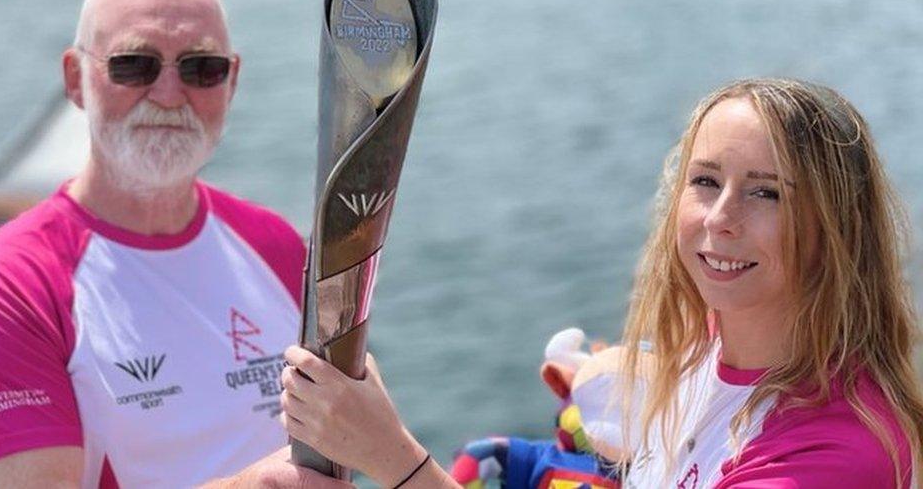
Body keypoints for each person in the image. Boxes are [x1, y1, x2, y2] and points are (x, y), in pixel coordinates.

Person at [280, 78, 923, 488]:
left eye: (766, 193)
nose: (720, 218)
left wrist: (391, 456)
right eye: (705, 181)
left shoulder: (837, 453)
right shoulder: (709, 350)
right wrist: (599, 384)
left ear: (835, 228)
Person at [0, 0, 349, 488]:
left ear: (231, 82)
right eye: (134, 65)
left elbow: (352, 439)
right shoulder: (7, 288)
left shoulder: (280, 248)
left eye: (201, 68)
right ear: (75, 79)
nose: (168, 93)